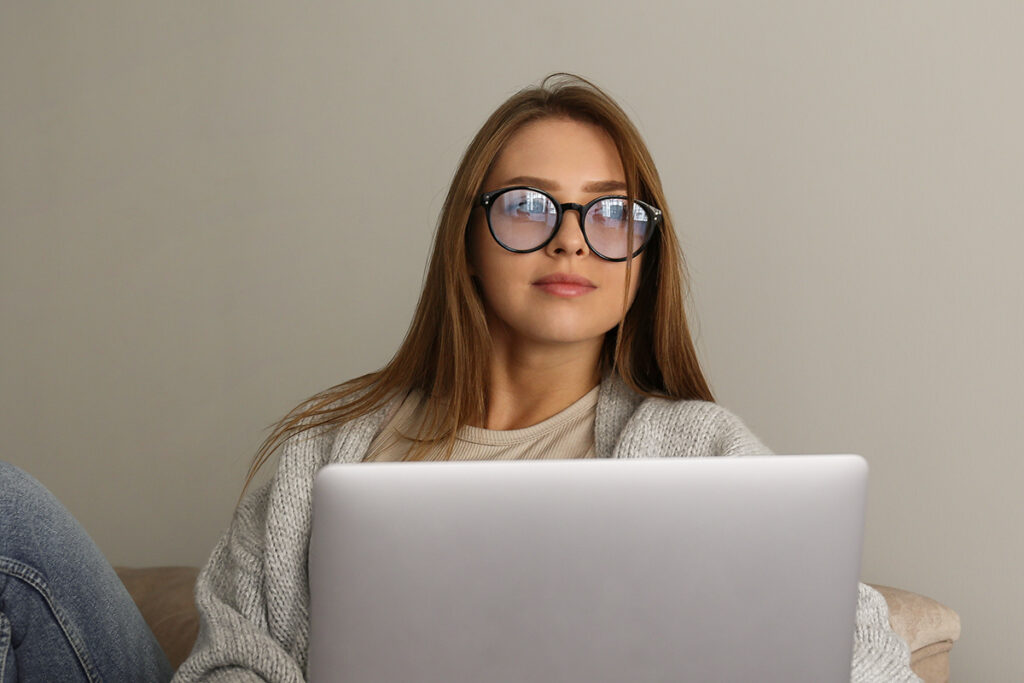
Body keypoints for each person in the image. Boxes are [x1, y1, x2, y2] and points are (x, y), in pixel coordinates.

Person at [0, 73, 919, 682]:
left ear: (643, 254)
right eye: (528, 206)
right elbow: (230, 662)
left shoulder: (709, 455)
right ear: (468, 240)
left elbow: (870, 660)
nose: (570, 236)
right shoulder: (326, 452)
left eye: (612, 213)